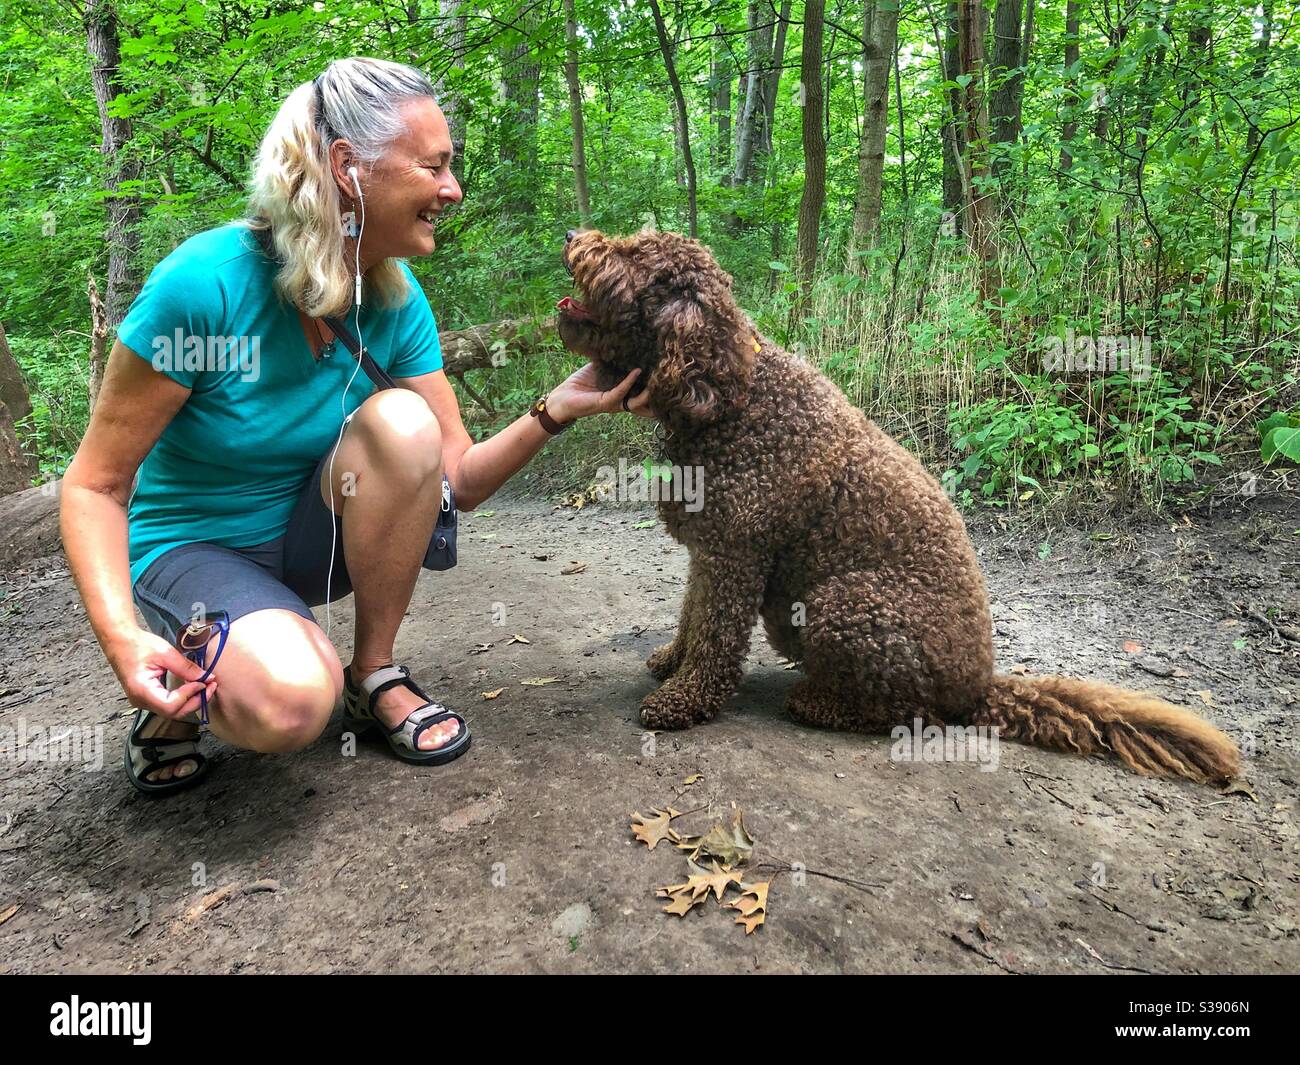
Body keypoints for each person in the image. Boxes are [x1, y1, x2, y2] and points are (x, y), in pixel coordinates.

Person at [60, 56, 651, 795]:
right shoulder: (203, 284)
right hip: (195, 551)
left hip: (312, 542)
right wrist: (121, 634)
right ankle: (192, 686)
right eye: (434, 166)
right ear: (348, 167)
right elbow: (95, 483)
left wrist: (556, 407)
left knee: (405, 424)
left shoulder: (396, 302)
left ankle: (370, 672)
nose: (452, 189)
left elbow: (455, 480)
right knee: (289, 704)